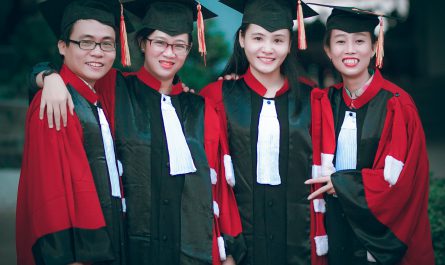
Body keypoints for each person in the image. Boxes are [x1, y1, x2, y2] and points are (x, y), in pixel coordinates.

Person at [30, 1, 243, 265]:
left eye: (179, 45)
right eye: (160, 42)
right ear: (142, 43)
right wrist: (45, 76)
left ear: (190, 49)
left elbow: (221, 185)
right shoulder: (116, 89)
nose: (169, 53)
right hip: (133, 251)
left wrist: (229, 251)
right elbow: (76, 70)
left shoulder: (201, 109)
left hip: (193, 250)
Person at [305, 4, 435, 265]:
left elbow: (406, 182)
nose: (350, 49)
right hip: (335, 228)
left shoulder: (398, 105)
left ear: (375, 47)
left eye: (360, 41)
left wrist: (342, 184)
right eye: (340, 41)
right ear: (329, 51)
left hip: (378, 237)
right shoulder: (323, 102)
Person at [199, 0, 320, 264]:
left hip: (300, 242)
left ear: (290, 44)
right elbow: (206, 181)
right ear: (242, 39)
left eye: (277, 40)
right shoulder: (216, 97)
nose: (267, 49)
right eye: (257, 38)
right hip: (240, 242)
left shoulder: (313, 98)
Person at [16, 0, 129, 264]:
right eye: (86, 42)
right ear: (62, 46)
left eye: (107, 43)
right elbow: (48, 195)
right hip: (76, 252)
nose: (97, 52)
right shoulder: (54, 102)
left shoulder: (99, 93)